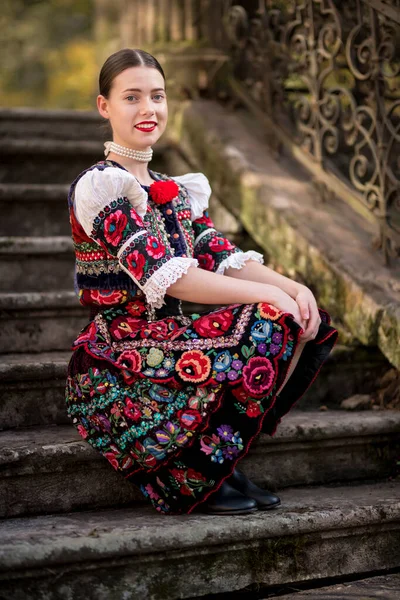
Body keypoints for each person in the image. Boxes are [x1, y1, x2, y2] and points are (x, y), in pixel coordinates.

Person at [65, 48, 338, 516]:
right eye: (132, 97)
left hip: (167, 338)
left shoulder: (177, 190)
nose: (149, 109)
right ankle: (186, 473)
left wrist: (293, 289)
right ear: (104, 106)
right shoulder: (100, 187)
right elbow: (168, 278)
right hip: (117, 356)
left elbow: (223, 258)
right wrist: (269, 296)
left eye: (158, 95)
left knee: (296, 314)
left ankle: (218, 460)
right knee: (266, 315)